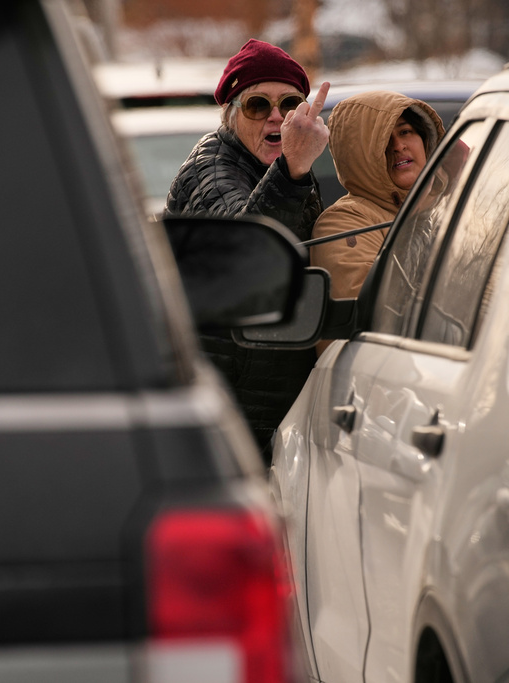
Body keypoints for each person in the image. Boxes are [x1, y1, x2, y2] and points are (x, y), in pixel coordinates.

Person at [165, 39, 330, 463]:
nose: (276, 117)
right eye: (258, 105)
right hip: (231, 411)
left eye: (290, 104)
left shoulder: (276, 167)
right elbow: (248, 254)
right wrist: (292, 169)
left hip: (265, 404)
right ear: (231, 114)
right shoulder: (213, 168)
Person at [310, 91, 445, 307]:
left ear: (426, 140)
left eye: (405, 131)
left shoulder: (450, 206)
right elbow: (375, 313)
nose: (398, 146)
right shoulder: (342, 222)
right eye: (383, 139)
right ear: (360, 156)